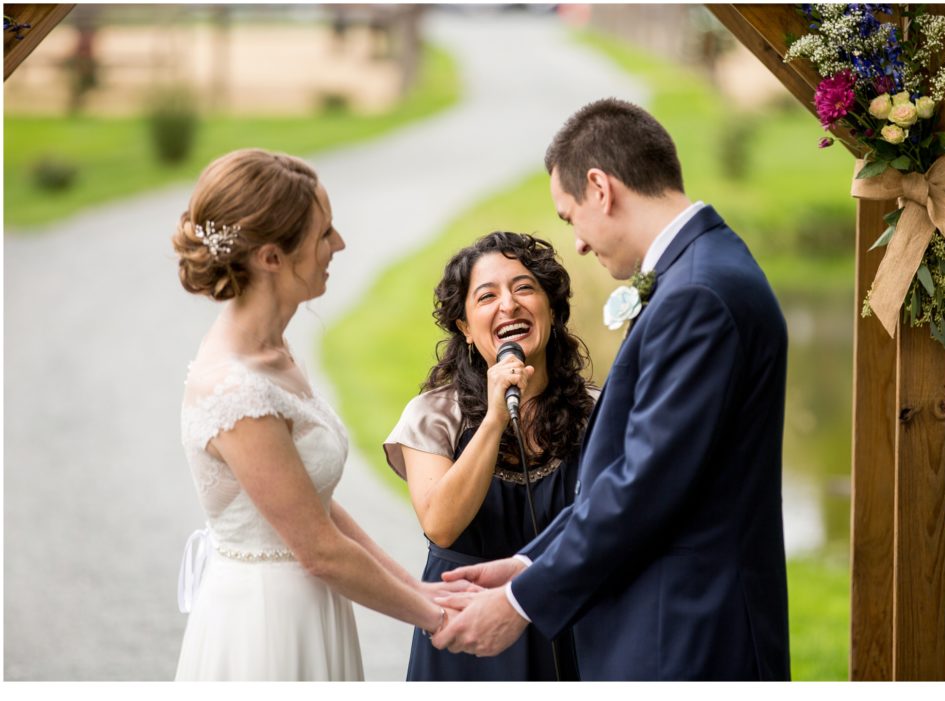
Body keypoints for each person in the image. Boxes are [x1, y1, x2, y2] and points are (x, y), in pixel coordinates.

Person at [431, 98, 791, 680]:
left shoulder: (697, 293)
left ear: (600, 187)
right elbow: (626, 476)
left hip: (684, 634)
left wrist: (522, 602)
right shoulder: (700, 271)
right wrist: (528, 562)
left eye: (570, 216)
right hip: (674, 627)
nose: (574, 242)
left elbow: (644, 485)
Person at [171, 148, 456, 680]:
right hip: (266, 623)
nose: (339, 245)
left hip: (312, 602)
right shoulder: (235, 390)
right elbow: (319, 551)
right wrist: (438, 621)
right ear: (272, 257)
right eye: (324, 233)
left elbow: (315, 505)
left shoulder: (274, 353)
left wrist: (419, 588)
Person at [384, 231, 596, 680]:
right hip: (465, 640)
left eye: (524, 288)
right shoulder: (432, 415)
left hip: (569, 624)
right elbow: (441, 525)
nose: (509, 305)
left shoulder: (598, 413)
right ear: (464, 325)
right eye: (487, 296)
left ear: (552, 309)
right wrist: (495, 417)